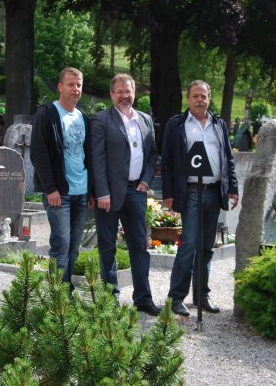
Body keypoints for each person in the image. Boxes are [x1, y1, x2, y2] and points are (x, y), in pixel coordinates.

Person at [162, 80, 239, 317]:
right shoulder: (177, 124)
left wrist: (233, 187)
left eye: (203, 96)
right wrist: (168, 194)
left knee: (206, 247)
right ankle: (176, 297)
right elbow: (167, 161)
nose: (199, 100)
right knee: (189, 244)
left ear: (209, 98)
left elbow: (228, 157)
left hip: (214, 192)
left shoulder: (219, 124)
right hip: (190, 192)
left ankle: (201, 295)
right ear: (188, 99)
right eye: (195, 96)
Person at [92, 73, 161, 315]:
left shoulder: (145, 120)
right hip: (108, 195)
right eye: (120, 92)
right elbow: (97, 159)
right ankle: (110, 298)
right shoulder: (101, 120)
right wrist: (101, 192)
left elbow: (152, 155)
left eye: (128, 91)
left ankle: (143, 298)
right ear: (112, 94)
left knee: (140, 246)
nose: (124, 96)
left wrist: (145, 182)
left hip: (136, 192)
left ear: (134, 93)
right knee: (107, 246)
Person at [31, 67, 94, 285]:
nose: (75, 89)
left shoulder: (83, 117)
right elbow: (38, 153)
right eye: (70, 84)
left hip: (81, 192)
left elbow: (88, 155)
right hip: (60, 193)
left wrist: (92, 190)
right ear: (60, 87)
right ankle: (56, 295)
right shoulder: (47, 113)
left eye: (78, 85)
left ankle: (66, 291)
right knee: (61, 245)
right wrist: (50, 188)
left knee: (74, 247)